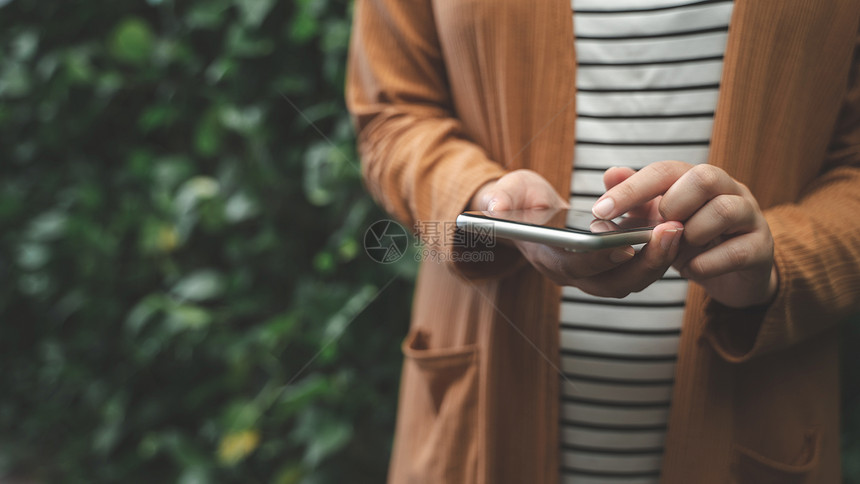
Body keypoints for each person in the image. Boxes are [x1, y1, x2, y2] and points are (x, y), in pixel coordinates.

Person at [346, 0, 860, 482]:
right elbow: (391, 114)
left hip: (757, 424)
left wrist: (776, 265)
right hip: (480, 425)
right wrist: (489, 203)